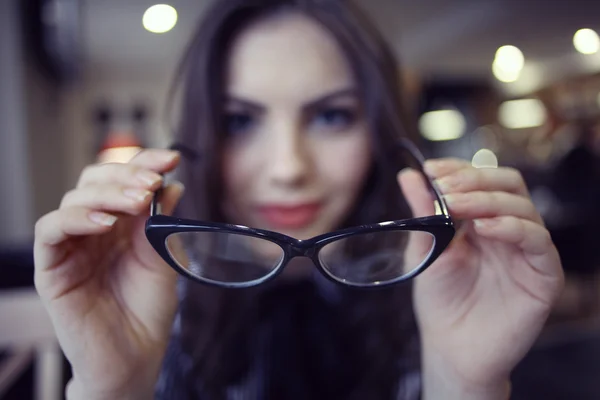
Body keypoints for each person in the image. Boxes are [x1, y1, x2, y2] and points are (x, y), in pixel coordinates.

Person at [32, 0, 564, 399]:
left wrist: (465, 384)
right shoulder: (149, 299)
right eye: (238, 122)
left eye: (332, 116)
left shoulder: (448, 287)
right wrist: (111, 388)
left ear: (380, 134)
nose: (288, 168)